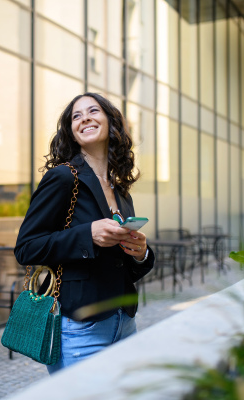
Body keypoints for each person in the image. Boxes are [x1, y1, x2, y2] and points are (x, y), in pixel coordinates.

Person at [14, 92, 155, 374]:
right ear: (71, 132)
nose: (85, 118)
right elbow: (26, 247)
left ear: (111, 123)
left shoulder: (119, 189)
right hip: (80, 329)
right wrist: (87, 233)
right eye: (76, 116)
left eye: (93, 111)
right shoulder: (64, 177)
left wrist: (141, 253)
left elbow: (123, 266)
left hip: (125, 323)